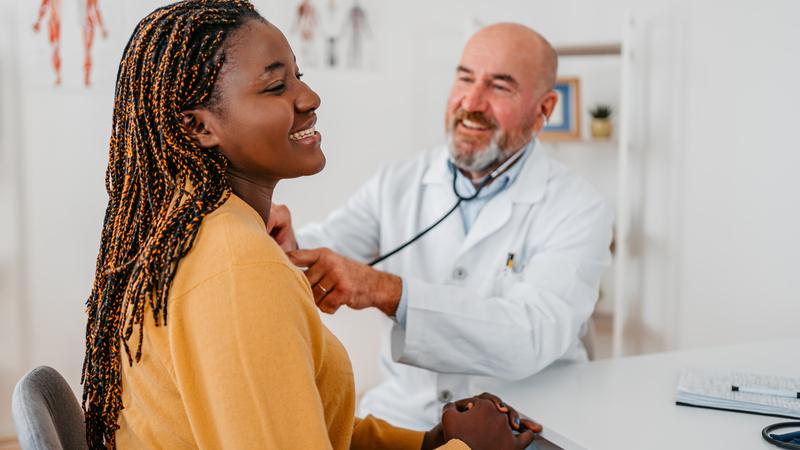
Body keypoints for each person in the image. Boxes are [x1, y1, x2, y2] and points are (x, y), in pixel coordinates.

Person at [80, 1, 541, 449]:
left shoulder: (190, 229)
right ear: (200, 127)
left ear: (543, 109)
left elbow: (305, 422)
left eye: (298, 76)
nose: (310, 97)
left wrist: (423, 443)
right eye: (276, 86)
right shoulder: (237, 267)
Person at [269, 23, 614, 429]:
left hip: (524, 424)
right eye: (465, 78)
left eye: (500, 86)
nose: (472, 101)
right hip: (405, 417)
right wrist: (289, 244)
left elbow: (530, 336)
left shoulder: (578, 207)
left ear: (544, 111)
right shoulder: (398, 183)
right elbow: (327, 249)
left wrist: (387, 291)